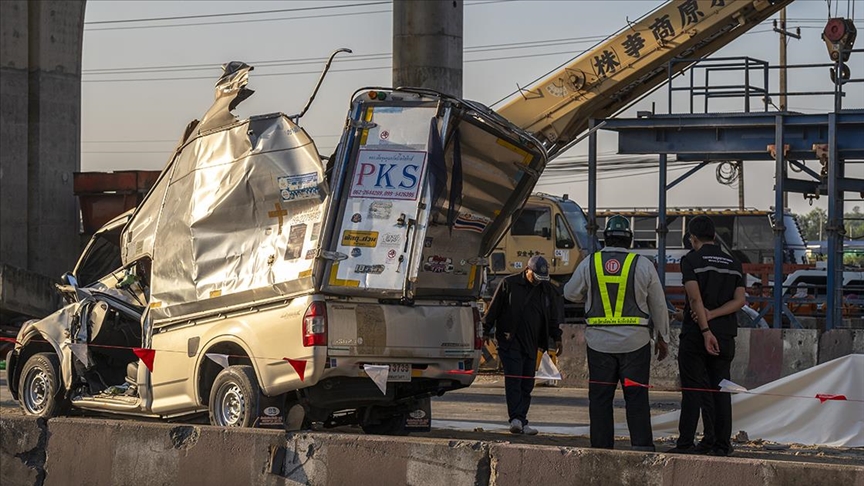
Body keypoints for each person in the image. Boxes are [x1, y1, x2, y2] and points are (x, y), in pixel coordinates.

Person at [563, 215, 670, 451]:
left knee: (600, 399)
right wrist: (663, 338)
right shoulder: (643, 264)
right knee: (637, 398)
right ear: (629, 240)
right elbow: (659, 305)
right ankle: (642, 447)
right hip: (635, 343)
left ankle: (601, 449)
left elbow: (570, 293)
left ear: (606, 238)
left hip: (599, 344)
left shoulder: (590, 262)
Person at [668, 215, 746, 456]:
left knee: (692, 390)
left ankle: (685, 443)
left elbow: (695, 298)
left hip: (696, 335)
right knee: (721, 390)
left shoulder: (691, 259)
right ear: (714, 236)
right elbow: (740, 300)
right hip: (724, 334)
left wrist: (704, 328)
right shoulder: (734, 262)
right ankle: (720, 444)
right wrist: (712, 316)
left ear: (693, 238)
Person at [483, 255, 563, 435]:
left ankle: (522, 418)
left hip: (533, 344)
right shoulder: (509, 284)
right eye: (535, 277)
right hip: (510, 341)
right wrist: (485, 330)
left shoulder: (545, 289)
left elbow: (552, 317)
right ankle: (516, 419)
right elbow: (493, 309)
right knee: (514, 380)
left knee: (527, 383)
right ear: (528, 270)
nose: (537, 282)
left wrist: (556, 337)